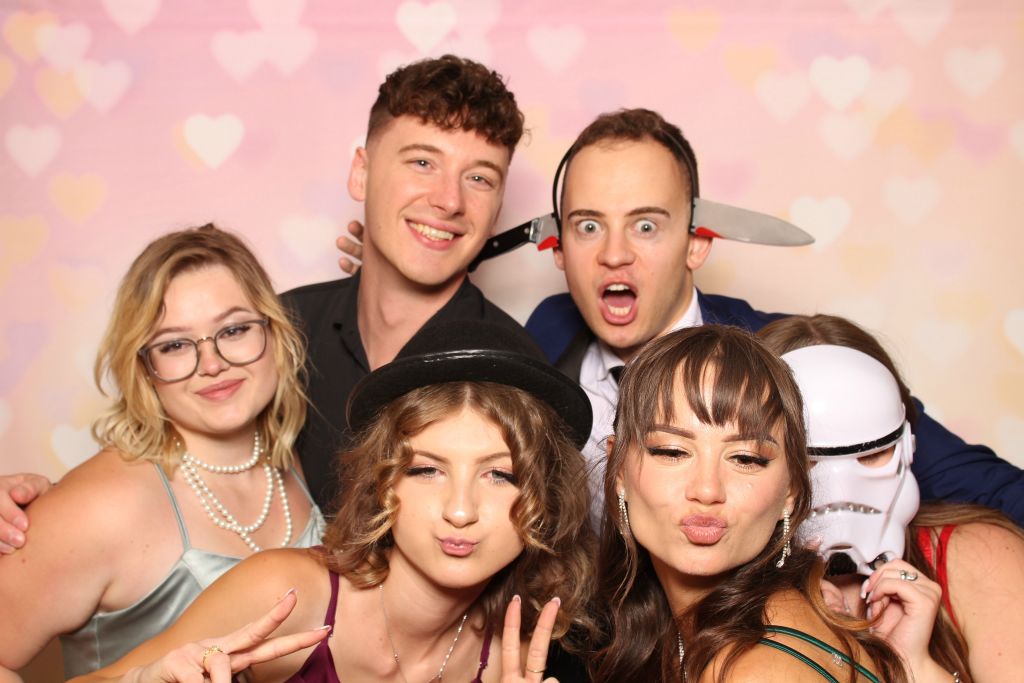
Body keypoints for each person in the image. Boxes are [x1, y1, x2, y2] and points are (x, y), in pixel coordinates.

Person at [0, 53, 528, 545]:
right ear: (361, 172)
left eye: (479, 178)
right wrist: (43, 507)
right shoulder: (273, 332)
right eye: (422, 163)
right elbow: (165, 450)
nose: (449, 200)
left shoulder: (518, 370)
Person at [524, 107, 1024, 526]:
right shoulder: (544, 337)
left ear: (696, 243)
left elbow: (987, 487)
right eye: (588, 226)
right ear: (560, 249)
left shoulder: (797, 358)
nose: (614, 254)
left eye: (646, 226)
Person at [72, 320, 598, 683]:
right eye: (426, 470)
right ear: (383, 481)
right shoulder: (286, 596)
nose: (460, 511)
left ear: (545, 496)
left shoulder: (520, 650)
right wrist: (145, 680)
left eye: (500, 475)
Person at [0, 225, 324, 677]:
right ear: (144, 367)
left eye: (234, 330)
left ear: (275, 334)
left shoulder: (297, 456)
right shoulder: (99, 507)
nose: (212, 364)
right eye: (174, 345)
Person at [593, 324, 905, 682]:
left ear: (791, 489)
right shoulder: (727, 631)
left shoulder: (755, 669)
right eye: (672, 451)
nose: (707, 490)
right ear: (618, 469)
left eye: (745, 458)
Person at [760, 313, 1024, 683]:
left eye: (871, 454)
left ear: (908, 446)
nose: (842, 490)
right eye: (810, 459)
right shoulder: (728, 599)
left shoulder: (979, 557)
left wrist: (916, 667)